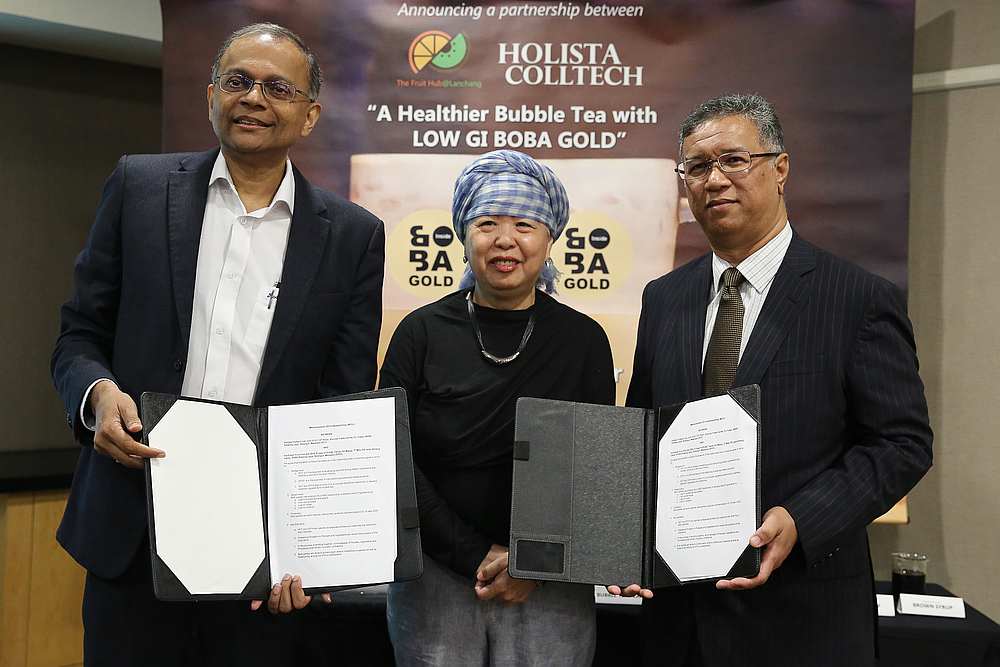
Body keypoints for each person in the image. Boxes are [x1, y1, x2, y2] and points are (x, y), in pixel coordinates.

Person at [50, 23, 385, 666]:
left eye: (277, 88)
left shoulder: (352, 236)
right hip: (130, 526)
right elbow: (79, 333)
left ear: (309, 114)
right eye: (239, 81)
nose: (254, 98)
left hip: (261, 553)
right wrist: (96, 396)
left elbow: (339, 402)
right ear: (211, 95)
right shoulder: (139, 189)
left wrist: (310, 551)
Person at [610, 93, 933, 666]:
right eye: (698, 168)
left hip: (803, 618)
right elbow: (640, 434)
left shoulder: (856, 299)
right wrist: (617, 539)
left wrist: (801, 520)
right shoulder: (665, 299)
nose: (715, 180)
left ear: (780, 168)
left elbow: (902, 444)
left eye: (735, 160)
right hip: (677, 622)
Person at [378, 149, 615, 666]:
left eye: (524, 224)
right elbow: (391, 457)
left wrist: (533, 562)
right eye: (487, 223)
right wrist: (471, 554)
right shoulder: (419, 333)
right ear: (464, 238)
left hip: (551, 578)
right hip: (433, 571)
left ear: (549, 239)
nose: (505, 239)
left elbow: (595, 465)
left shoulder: (584, 341)